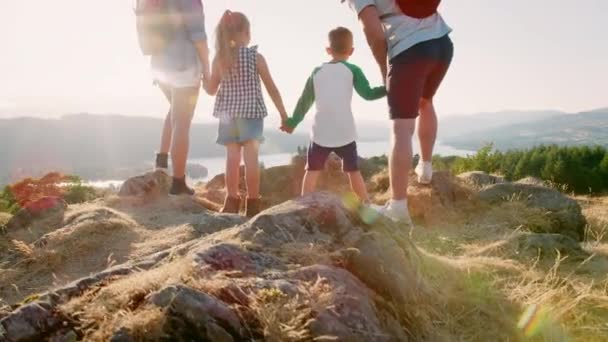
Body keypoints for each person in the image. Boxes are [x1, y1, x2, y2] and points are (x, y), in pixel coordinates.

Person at [345, 0, 453, 223]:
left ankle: (398, 208)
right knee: (426, 102)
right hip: (442, 44)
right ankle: (425, 168)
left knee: (401, 128)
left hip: (410, 50)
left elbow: (374, 33)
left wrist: (385, 70)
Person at [282, 27, 386, 204]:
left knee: (312, 170)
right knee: (353, 171)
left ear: (328, 50)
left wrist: (292, 122)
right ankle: (366, 204)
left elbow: (304, 102)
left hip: (320, 132)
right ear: (351, 51)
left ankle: (304, 205)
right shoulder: (353, 70)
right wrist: (388, 88)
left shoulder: (316, 72)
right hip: (344, 131)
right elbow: (368, 94)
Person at [204, 11, 289, 217]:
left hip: (228, 114)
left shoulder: (220, 59)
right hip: (251, 114)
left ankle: (231, 200)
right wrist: (284, 115)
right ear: (247, 33)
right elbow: (272, 88)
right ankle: (252, 203)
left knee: (232, 158)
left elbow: (211, 89)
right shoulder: (255, 57)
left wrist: (203, 77)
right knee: (251, 159)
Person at [151, 0, 210, 195]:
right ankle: (178, 183)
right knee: (182, 121)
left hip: (160, 67)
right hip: (184, 66)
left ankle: (161, 161)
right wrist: (207, 71)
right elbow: (199, 38)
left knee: (176, 111)